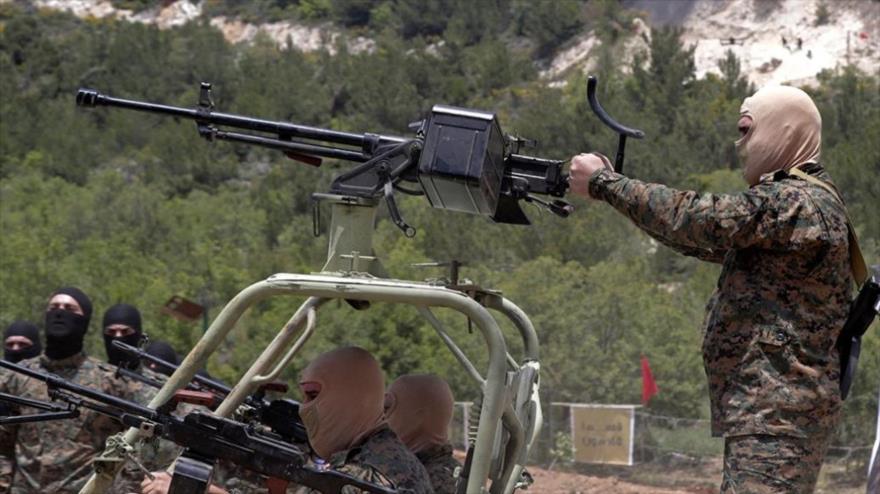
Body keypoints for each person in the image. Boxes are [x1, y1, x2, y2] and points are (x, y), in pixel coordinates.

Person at [568, 85, 856, 493]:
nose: (740, 145)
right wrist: (616, 195)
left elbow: (700, 219)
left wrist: (606, 184)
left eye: (746, 130)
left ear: (784, 130)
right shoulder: (800, 203)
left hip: (777, 414)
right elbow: (700, 238)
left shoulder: (796, 201)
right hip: (773, 412)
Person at [140, 346, 433, 494]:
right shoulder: (379, 456)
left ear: (349, 396)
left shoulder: (370, 473)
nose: (303, 409)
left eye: (312, 396)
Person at [0, 287, 146, 493]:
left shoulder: (109, 381)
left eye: (69, 308)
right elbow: (3, 444)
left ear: (84, 321)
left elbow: (134, 445)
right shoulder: (17, 376)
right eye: (54, 307)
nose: (60, 312)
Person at [385, 374, 461, 494]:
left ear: (416, 418)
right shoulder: (450, 473)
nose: (382, 416)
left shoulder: (419, 479)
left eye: (387, 407)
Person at [103, 303, 145, 370]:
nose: (118, 336)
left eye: (125, 331)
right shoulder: (87, 374)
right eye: (111, 332)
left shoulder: (153, 380)